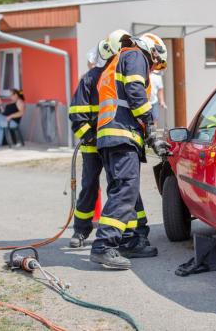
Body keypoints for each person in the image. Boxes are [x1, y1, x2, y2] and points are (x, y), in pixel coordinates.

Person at [90, 32, 171, 269]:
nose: (154, 69)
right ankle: (104, 245)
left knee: (127, 191)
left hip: (113, 135)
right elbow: (135, 93)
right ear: (153, 50)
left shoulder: (119, 59)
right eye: (156, 64)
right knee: (126, 190)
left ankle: (130, 240)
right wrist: (152, 129)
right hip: (121, 134)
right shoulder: (136, 55)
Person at [68, 30, 152, 252]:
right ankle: (81, 229)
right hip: (93, 143)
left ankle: (132, 231)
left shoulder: (116, 74)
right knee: (90, 185)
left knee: (124, 185)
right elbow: (77, 115)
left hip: (111, 140)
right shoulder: (91, 78)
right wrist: (90, 137)